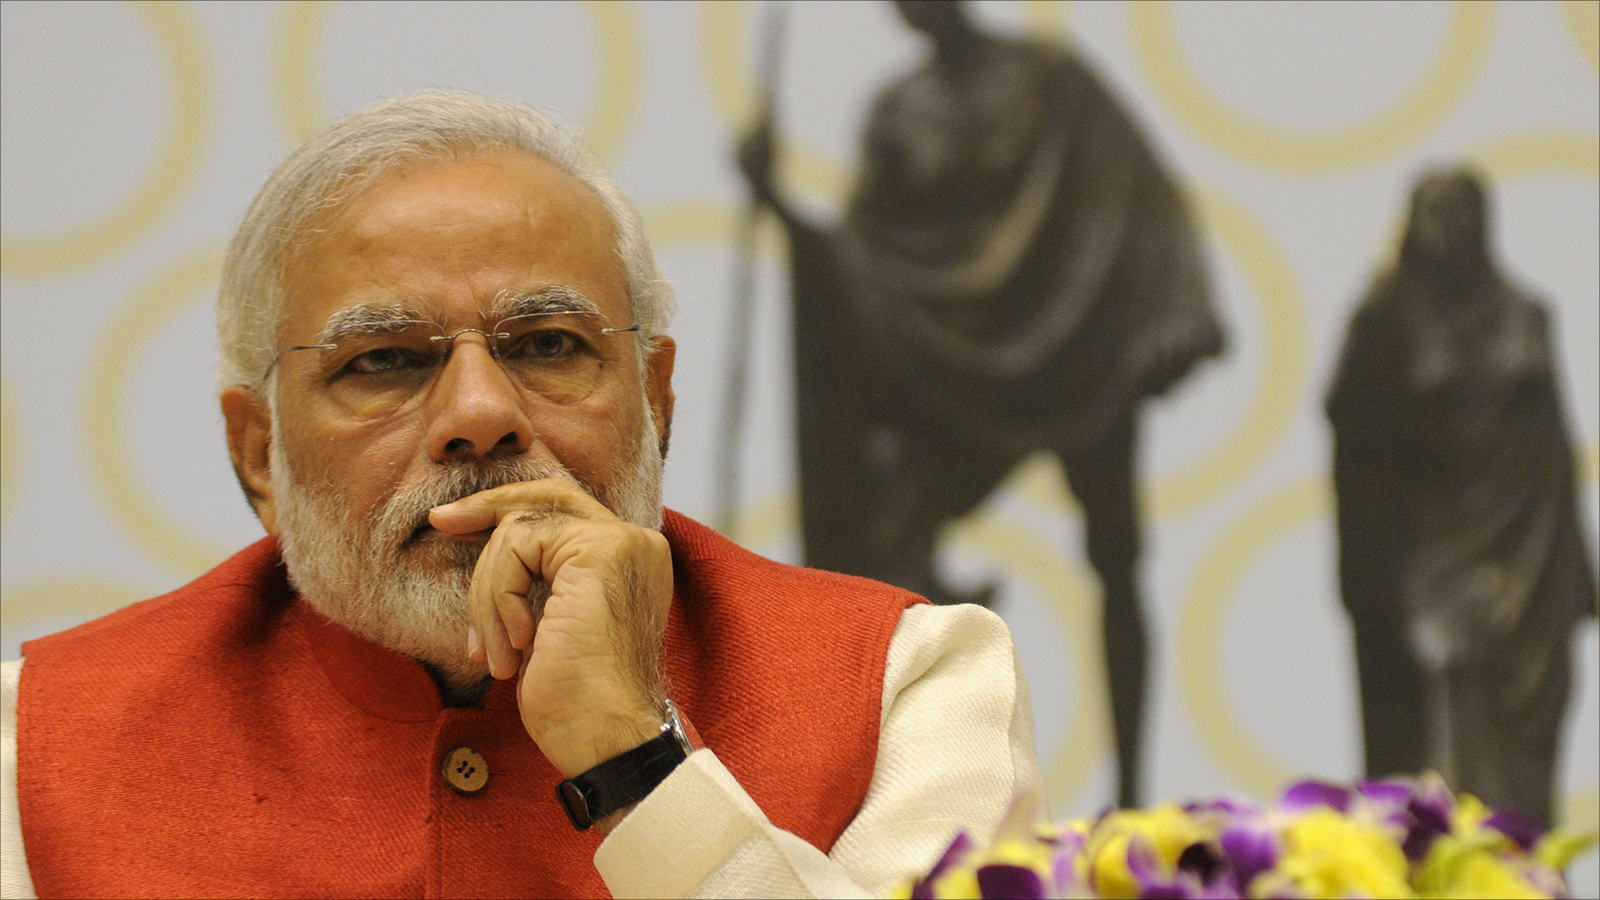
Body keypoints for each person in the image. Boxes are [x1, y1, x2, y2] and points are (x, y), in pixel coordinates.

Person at [0, 91, 1040, 899]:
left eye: (546, 346)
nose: (480, 414)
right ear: (259, 455)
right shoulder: (32, 743)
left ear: (654, 402)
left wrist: (634, 754)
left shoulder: (909, 680)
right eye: (385, 361)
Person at [737, 0, 1222, 811]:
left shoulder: (1050, 82)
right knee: (890, 557)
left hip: (1079, 346)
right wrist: (779, 203)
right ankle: (904, 804)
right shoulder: (900, 112)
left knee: (1116, 556)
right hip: (950, 368)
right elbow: (862, 264)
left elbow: (1138, 198)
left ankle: (1135, 796)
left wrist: (1173, 311)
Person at [1327, 167, 1596, 827]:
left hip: (1526, 556)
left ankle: (1521, 866)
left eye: (1460, 213)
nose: (1447, 230)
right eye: (1432, 214)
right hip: (1431, 555)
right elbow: (1353, 428)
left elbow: (1556, 450)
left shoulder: (1526, 315)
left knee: (1525, 755)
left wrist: (1576, 572)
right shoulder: (1389, 321)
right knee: (1438, 740)